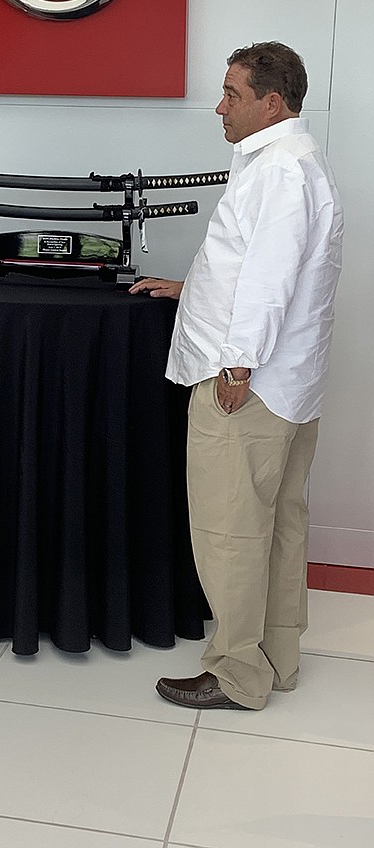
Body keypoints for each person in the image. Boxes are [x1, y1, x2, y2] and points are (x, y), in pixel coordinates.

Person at [130, 42, 343, 711]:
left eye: (232, 94)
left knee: (230, 531)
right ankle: (275, 659)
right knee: (278, 524)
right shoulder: (295, 163)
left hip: (249, 386)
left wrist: (236, 362)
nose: (219, 107)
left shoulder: (279, 170)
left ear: (271, 101)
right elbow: (254, 267)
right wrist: (191, 289)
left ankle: (235, 675)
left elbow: (270, 280)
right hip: (288, 388)